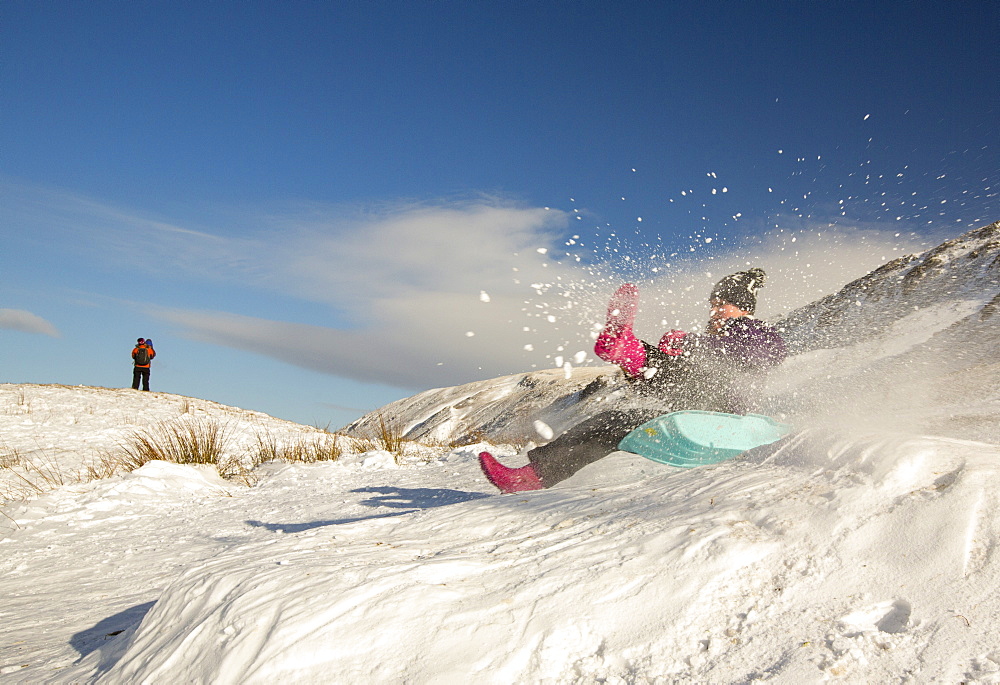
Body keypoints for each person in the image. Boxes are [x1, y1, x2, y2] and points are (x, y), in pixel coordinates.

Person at [479, 268, 787, 493]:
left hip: (729, 416)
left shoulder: (752, 330)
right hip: (696, 415)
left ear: (741, 308)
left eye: (720, 305)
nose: (714, 312)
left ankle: (633, 353)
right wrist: (687, 349)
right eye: (713, 305)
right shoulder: (718, 339)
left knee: (679, 368)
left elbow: (763, 354)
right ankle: (530, 478)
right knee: (610, 421)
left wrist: (691, 344)